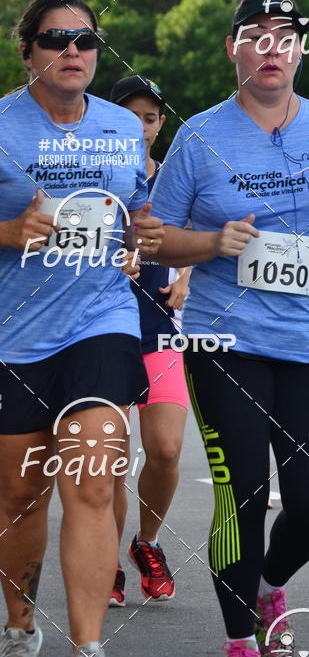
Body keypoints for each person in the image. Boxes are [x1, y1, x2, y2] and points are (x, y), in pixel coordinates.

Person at [151, 0, 309, 657]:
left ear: (301, 51)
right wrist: (214, 241)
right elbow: (153, 238)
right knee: (240, 494)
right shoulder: (200, 137)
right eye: (258, 35)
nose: (274, 47)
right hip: (226, 341)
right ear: (235, 49)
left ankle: (269, 586)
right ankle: (237, 644)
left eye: (288, 36)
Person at [0, 0, 163, 657]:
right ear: (28, 50)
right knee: (17, 492)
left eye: (86, 40)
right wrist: (6, 234)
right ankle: (18, 630)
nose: (73, 50)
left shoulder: (123, 130)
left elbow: (138, 213)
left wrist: (142, 242)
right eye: (56, 38)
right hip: (15, 330)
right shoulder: (1, 124)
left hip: (100, 318)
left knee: (95, 476)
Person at [108, 76, 190, 606]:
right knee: (111, 458)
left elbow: (197, 240)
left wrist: (186, 279)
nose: (141, 125)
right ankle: (104, 559)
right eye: (131, 114)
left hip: (161, 328)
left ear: (161, 124)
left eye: (151, 116)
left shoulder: (174, 180)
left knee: (164, 449)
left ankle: (148, 543)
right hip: (104, 329)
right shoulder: (94, 176)